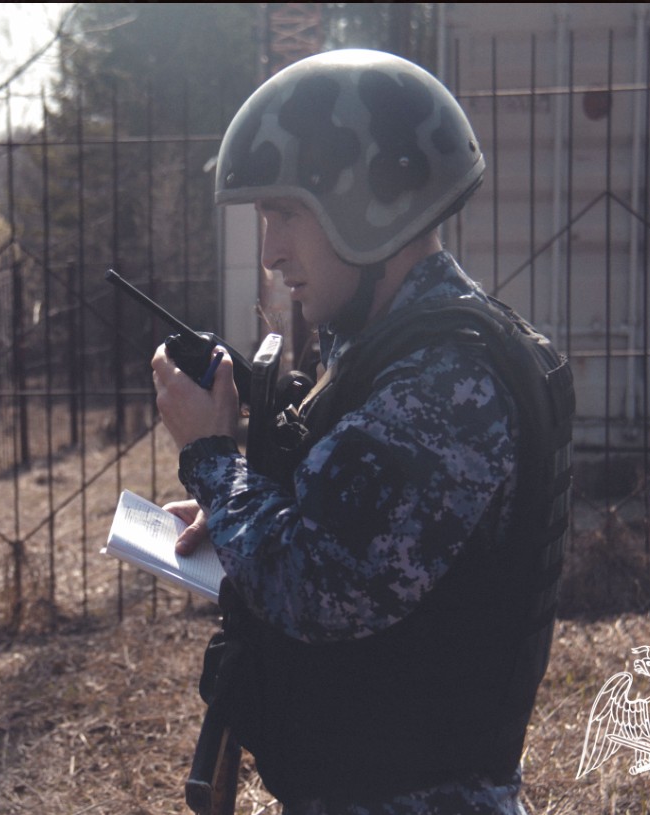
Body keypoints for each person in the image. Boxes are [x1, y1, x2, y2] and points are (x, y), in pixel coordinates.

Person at [152, 50, 574, 814]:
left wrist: (210, 457)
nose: (270, 253)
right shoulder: (393, 351)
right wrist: (239, 512)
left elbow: (320, 585)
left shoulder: (447, 379)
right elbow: (341, 527)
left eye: (285, 213)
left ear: (368, 202)